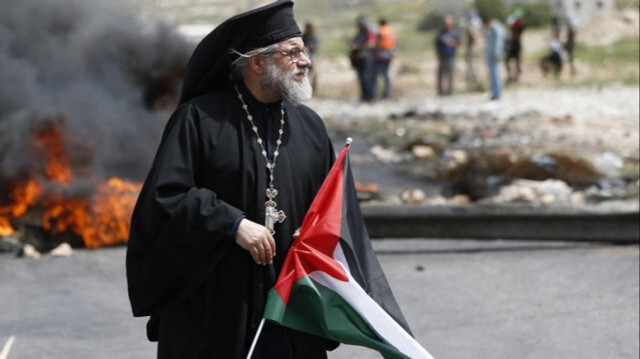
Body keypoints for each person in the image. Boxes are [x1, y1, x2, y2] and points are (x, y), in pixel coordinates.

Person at [126, 2, 337, 358]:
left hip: (292, 310)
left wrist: (314, 231)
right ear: (257, 62)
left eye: (305, 51)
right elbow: (166, 198)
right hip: (217, 311)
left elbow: (331, 204)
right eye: (293, 52)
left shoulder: (310, 127)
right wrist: (232, 223)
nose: (306, 61)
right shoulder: (199, 119)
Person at [349, 15, 376, 102]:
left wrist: (358, 46)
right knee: (361, 78)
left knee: (367, 78)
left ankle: (370, 96)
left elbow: (370, 44)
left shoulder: (369, 34)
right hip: (358, 60)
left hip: (366, 59)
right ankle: (364, 96)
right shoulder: (358, 35)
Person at [482, 13, 506, 100]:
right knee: (492, 74)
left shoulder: (496, 28)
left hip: (494, 54)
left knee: (495, 74)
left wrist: (497, 53)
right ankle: (495, 92)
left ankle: (497, 93)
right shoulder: (491, 28)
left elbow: (498, 42)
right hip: (490, 53)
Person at [372, 18, 397, 99]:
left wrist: (375, 53)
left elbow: (378, 44)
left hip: (380, 56)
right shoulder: (392, 32)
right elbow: (396, 44)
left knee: (375, 75)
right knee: (387, 75)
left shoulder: (380, 32)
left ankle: (375, 94)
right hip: (389, 55)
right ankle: (387, 93)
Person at [435, 14, 460, 96]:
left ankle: (449, 92)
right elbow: (436, 42)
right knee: (440, 74)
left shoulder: (454, 33)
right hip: (442, 55)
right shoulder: (441, 32)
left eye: (448, 23)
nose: (447, 25)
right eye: (445, 23)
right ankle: (440, 92)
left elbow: (458, 43)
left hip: (450, 55)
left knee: (450, 74)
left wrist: (451, 42)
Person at [505, 7, 525, 83]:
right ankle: (510, 77)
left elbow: (516, 36)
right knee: (508, 61)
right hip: (514, 45)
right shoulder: (516, 25)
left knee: (517, 62)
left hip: (516, 46)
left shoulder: (520, 25)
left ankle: (516, 78)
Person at [464, 10, 482, 91]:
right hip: (473, 49)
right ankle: (474, 85)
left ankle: (473, 85)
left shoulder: (472, 26)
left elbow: (473, 38)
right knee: (473, 68)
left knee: (472, 68)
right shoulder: (476, 25)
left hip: (471, 49)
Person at [302, 22, 320, 92]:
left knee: (314, 76)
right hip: (304, 58)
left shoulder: (314, 37)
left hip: (313, 58)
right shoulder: (303, 37)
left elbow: (318, 46)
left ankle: (312, 91)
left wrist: (312, 47)